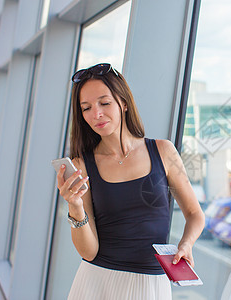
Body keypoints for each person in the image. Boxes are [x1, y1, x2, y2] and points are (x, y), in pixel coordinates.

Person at [56, 63, 205, 299]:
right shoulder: (83, 165)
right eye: (86, 108)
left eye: (104, 103)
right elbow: (89, 252)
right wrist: (74, 208)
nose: (96, 114)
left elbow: (195, 214)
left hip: (150, 285)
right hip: (97, 282)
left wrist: (186, 245)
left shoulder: (163, 151)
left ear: (123, 103)